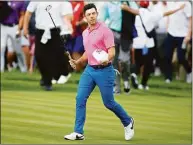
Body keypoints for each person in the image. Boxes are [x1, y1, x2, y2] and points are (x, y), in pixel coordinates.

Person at [64, 3, 134, 141]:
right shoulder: (85, 33)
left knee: (109, 103)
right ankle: (78, 132)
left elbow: (112, 52)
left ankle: (128, 121)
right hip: (90, 70)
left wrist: (106, 59)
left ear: (97, 14)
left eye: (93, 13)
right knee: (80, 98)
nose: (91, 16)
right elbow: (88, 52)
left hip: (105, 70)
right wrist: (77, 62)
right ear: (85, 17)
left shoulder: (105, 30)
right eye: (88, 14)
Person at [121, 1, 185, 89]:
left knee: (138, 62)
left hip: (137, 43)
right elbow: (167, 13)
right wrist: (178, 9)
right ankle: (143, 84)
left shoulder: (136, 12)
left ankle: (134, 74)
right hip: (148, 44)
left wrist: (125, 6)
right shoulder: (151, 15)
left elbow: (129, 10)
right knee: (148, 64)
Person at [23, 2, 73, 90]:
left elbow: (66, 16)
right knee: (39, 56)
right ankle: (45, 77)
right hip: (40, 31)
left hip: (55, 31)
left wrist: (68, 26)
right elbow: (28, 13)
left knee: (56, 56)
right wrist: (25, 28)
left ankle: (48, 81)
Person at [164, 1, 192, 84]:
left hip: (183, 35)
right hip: (171, 33)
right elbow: (168, 15)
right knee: (167, 56)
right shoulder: (170, 2)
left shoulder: (186, 3)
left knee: (181, 57)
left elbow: (191, 19)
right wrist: (167, 27)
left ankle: (189, 72)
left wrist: (189, 34)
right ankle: (168, 77)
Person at [0, 1, 27, 73]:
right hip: (2, 26)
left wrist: (19, 28)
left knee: (18, 50)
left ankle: (23, 69)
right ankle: (1, 70)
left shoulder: (20, 2)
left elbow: (22, 15)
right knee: (1, 48)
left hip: (14, 26)